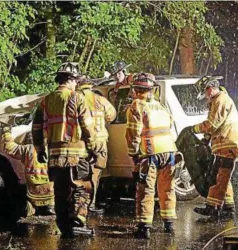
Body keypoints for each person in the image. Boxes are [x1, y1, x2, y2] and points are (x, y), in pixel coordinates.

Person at [31, 62, 98, 237]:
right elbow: (88, 127)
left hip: (55, 157)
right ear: (70, 80)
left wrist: (39, 149)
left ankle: (64, 226)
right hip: (77, 156)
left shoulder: (46, 101)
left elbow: (36, 128)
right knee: (82, 188)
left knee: (60, 192)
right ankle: (78, 223)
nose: (76, 84)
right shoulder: (77, 98)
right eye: (75, 80)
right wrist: (93, 148)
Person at [125, 73, 178, 239]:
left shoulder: (136, 106)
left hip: (150, 154)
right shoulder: (160, 106)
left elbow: (133, 134)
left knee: (145, 191)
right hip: (169, 152)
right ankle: (169, 223)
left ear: (137, 90)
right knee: (167, 188)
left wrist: (134, 154)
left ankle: (144, 227)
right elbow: (170, 125)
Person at [187, 76, 238, 218]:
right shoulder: (217, 100)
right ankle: (228, 207)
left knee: (219, 177)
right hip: (225, 145)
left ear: (211, 88)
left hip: (228, 145)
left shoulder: (221, 100)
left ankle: (213, 207)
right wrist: (207, 138)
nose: (206, 96)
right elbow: (216, 126)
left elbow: (212, 124)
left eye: (206, 91)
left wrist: (193, 129)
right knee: (224, 176)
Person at [77, 75, 117, 214]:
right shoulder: (100, 99)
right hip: (99, 141)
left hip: (80, 142)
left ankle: (80, 205)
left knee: (80, 175)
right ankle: (91, 204)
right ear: (91, 86)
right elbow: (112, 116)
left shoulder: (74, 98)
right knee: (95, 174)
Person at [1, 127, 55, 216]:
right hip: (51, 194)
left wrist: (6, 132)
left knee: (23, 202)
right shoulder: (51, 149)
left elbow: (10, 148)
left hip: (33, 193)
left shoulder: (27, 149)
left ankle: (30, 209)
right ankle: (50, 208)